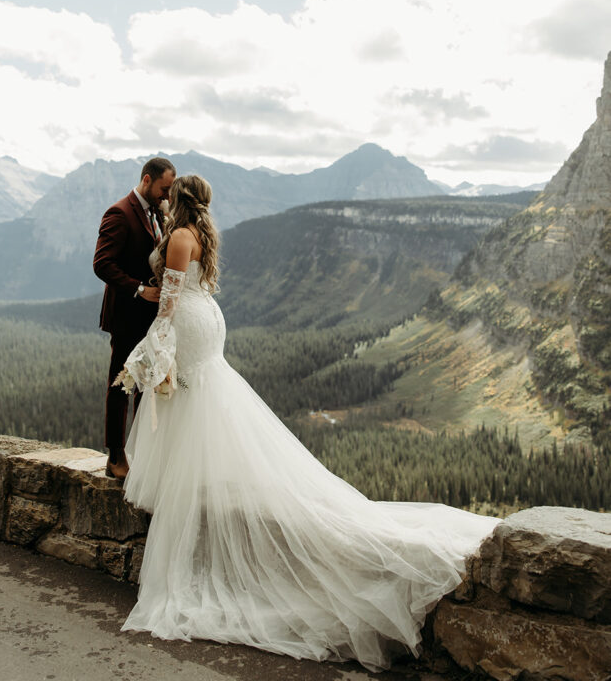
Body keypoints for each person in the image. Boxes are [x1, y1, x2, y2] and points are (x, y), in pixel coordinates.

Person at [118, 174, 499, 672]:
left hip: (186, 322)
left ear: (177, 199)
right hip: (207, 319)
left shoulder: (181, 238)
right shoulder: (199, 234)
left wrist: (150, 349)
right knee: (201, 398)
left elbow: (168, 305)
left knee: (189, 400)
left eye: (170, 194)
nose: (164, 197)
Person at [93, 156, 176, 479]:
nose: (167, 196)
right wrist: (139, 289)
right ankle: (115, 456)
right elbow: (102, 264)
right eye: (163, 189)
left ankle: (142, 452)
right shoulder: (119, 213)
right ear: (146, 180)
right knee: (121, 384)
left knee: (146, 384)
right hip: (127, 314)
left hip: (151, 317)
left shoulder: (158, 212)